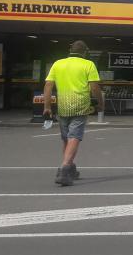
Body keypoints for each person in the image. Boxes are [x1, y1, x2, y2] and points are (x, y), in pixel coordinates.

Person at [43, 40, 105, 186]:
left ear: (70, 50)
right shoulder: (88, 65)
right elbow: (95, 87)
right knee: (74, 137)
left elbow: (48, 85)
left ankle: (70, 166)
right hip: (80, 105)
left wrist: (47, 106)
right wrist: (100, 103)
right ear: (84, 52)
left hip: (63, 105)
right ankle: (64, 168)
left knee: (66, 138)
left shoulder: (58, 64)